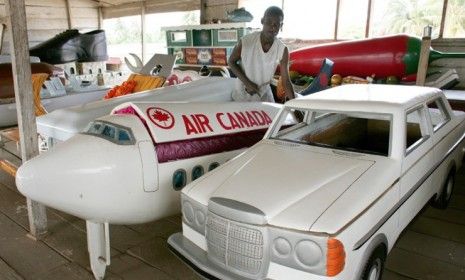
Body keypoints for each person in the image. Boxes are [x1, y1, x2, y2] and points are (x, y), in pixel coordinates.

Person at [228, 6, 295, 102]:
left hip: (264, 94)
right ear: (262, 21)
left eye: (276, 24)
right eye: (269, 22)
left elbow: (286, 81)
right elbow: (231, 61)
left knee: (272, 115)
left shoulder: (282, 50)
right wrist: (247, 83)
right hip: (242, 93)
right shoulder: (246, 41)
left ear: (281, 26)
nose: (272, 27)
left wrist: (294, 106)